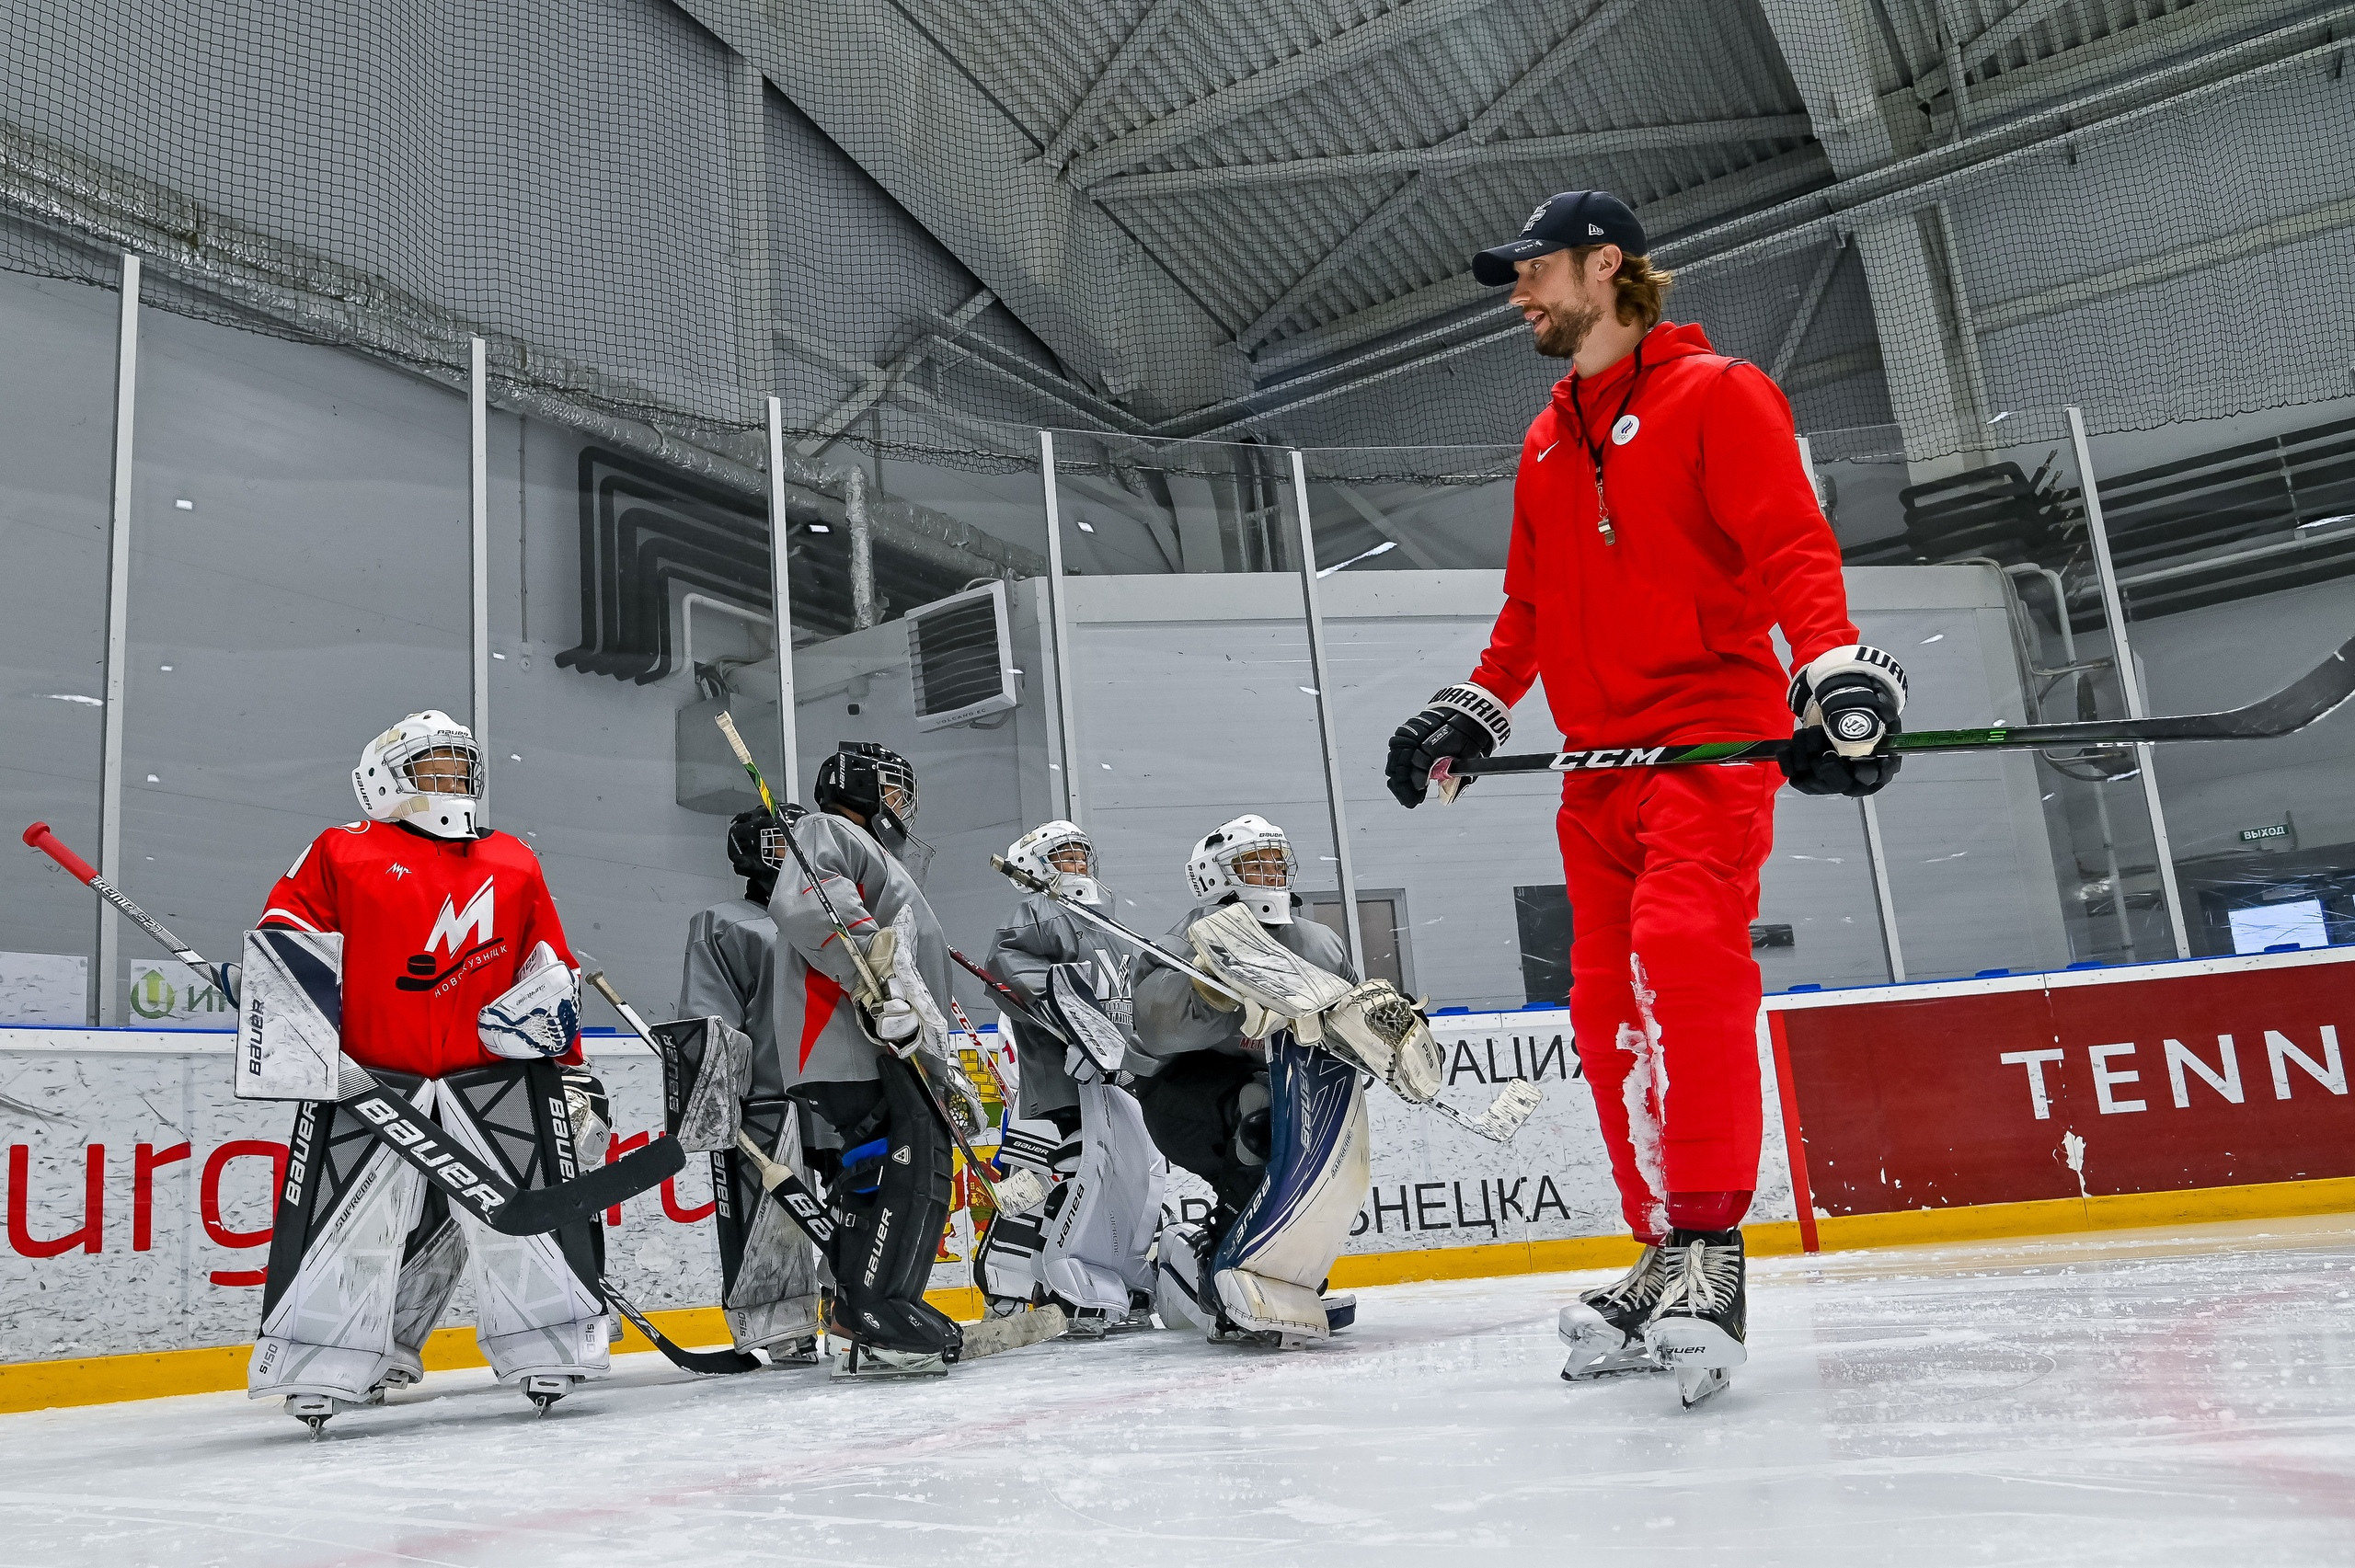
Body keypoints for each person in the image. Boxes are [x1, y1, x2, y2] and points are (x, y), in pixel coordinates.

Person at [1384, 190, 1906, 1407]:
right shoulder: (1546, 436)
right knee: (1604, 1001)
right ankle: (1659, 1245)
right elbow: (1526, 611)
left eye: (1534, 272)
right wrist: (1476, 706)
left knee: (1684, 951)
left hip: (1708, 743)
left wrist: (1830, 674)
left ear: (1606, 265)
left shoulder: (1719, 393)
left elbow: (1789, 545)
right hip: (1594, 765)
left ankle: (1713, 1249)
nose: (1518, 295)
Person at [247, 711, 614, 1428]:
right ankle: (320, 1363)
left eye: (459, 766)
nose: (452, 780)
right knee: (347, 1227)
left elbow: (549, 967)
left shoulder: (512, 858)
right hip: (372, 1075)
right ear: (383, 776)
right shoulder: (342, 850)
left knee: (523, 1227)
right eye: (433, 766)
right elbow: (287, 926)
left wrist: (572, 1071)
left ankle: (548, 1345)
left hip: (496, 1080)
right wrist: (275, 982)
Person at [760, 741, 989, 1376]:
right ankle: (881, 1308)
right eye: (891, 790)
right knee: (914, 1157)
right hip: (852, 1039)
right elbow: (811, 903)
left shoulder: (880, 859)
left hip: (877, 1043)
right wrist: (881, 985)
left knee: (870, 1172)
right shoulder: (826, 828)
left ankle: (853, 1304)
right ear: (856, 787)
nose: (900, 806)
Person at [1128, 815, 1364, 1345]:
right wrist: (1213, 990)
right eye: (1255, 862)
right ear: (1213, 876)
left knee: (1322, 1159)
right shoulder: (1185, 942)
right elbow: (1158, 1030)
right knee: (1257, 1131)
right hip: (1185, 1091)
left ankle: (1278, 1270)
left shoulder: (1318, 942)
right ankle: (1224, 1271)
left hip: (1280, 1085)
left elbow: (1349, 1017)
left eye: (1278, 860)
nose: (1272, 872)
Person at [975, 819, 1164, 1335]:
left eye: (1082, 856)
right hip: (1056, 1082)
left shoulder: (1107, 925)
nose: (1077, 866)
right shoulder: (1037, 913)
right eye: (1064, 856)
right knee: (1059, 1182)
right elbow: (1008, 968)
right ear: (1035, 866)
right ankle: (1015, 1289)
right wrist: (1074, 1021)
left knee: (1114, 1181)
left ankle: (1108, 1275)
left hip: (1108, 1085)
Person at [672, 807, 821, 1363]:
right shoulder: (726, 922)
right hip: (771, 1095)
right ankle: (778, 1322)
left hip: (845, 1092)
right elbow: (711, 1017)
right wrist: (714, 1091)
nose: (792, 855)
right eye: (777, 844)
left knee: (859, 1203)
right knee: (770, 1213)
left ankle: (860, 1304)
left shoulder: (838, 919)